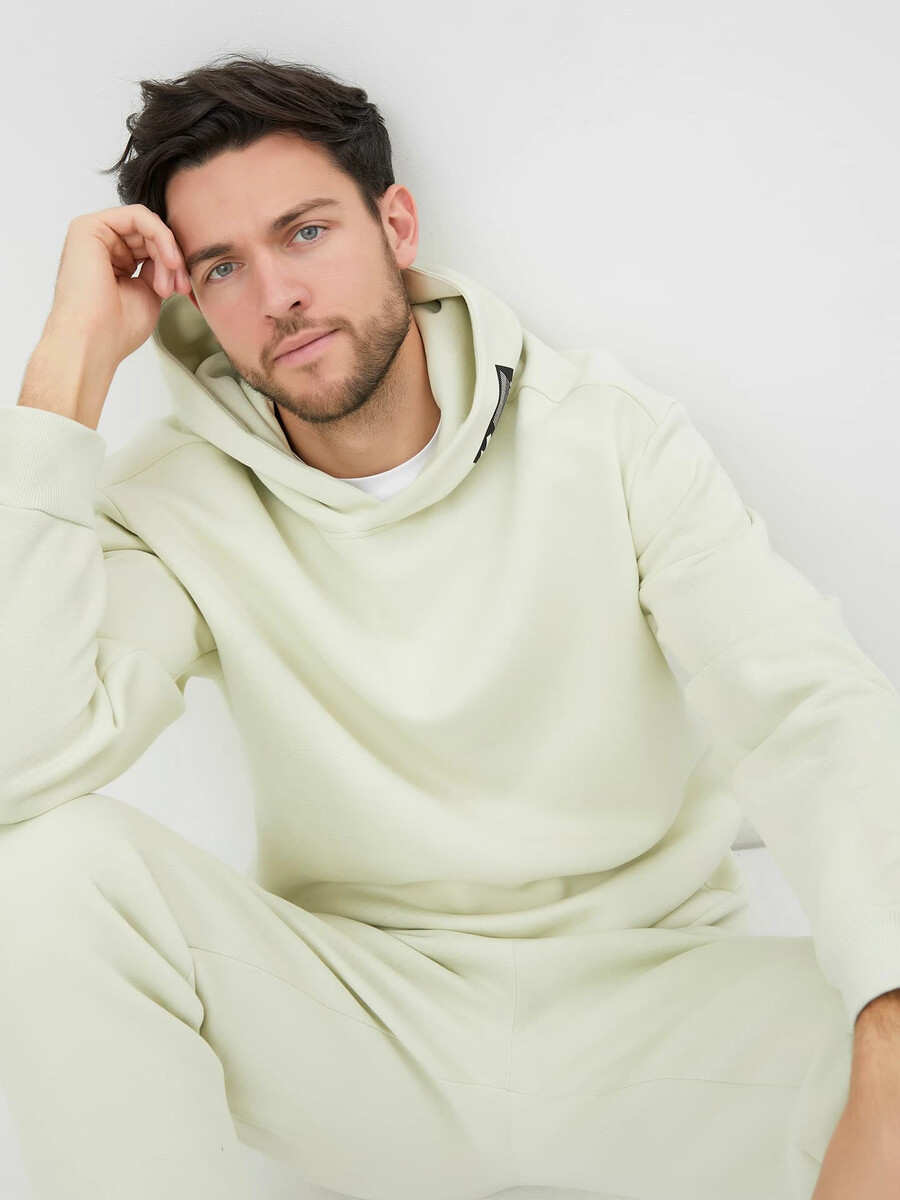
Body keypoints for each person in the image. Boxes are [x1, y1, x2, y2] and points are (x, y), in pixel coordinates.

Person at [0, 48, 897, 1200]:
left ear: (397, 225)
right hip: (365, 1035)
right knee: (45, 874)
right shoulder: (176, 500)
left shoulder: (609, 436)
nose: (276, 294)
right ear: (191, 301)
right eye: (223, 266)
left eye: (306, 232)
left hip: (657, 1023)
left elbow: (805, 707)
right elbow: (20, 761)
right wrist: (66, 368)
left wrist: (888, 1034)